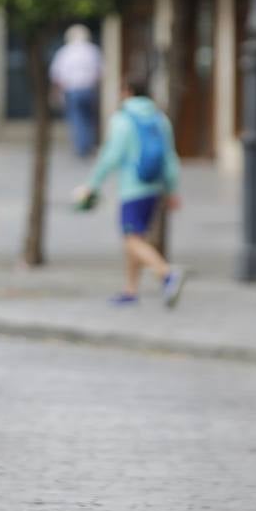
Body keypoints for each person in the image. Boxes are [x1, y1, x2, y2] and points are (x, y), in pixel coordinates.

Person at [74, 75, 186, 307]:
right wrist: (172, 189)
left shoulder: (122, 119)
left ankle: (166, 274)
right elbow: (170, 158)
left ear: (127, 91)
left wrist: (92, 184)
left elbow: (110, 156)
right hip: (154, 187)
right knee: (137, 236)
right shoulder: (159, 118)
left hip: (132, 189)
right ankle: (130, 290)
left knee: (131, 240)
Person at [49, 24, 103, 158]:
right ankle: (87, 146)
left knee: (77, 119)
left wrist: (56, 92)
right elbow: (100, 72)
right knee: (89, 119)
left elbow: (56, 74)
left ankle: (81, 148)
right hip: (88, 89)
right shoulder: (93, 50)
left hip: (72, 89)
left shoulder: (65, 51)